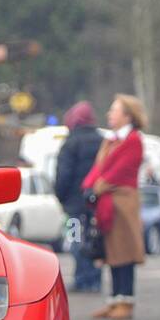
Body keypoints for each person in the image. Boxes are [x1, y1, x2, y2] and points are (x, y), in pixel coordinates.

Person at [83, 94, 146, 320]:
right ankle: (114, 299)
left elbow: (118, 171)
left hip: (123, 201)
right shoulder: (111, 140)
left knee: (125, 253)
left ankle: (126, 300)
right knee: (111, 252)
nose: (110, 114)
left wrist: (96, 187)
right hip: (109, 202)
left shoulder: (133, 140)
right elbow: (99, 168)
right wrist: (89, 186)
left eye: (114, 110)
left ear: (127, 115)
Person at [54, 101, 105, 292]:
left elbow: (63, 176)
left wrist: (61, 197)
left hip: (74, 207)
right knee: (94, 240)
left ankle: (82, 278)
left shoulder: (70, 144)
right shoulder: (102, 141)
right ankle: (95, 279)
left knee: (76, 240)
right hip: (96, 205)